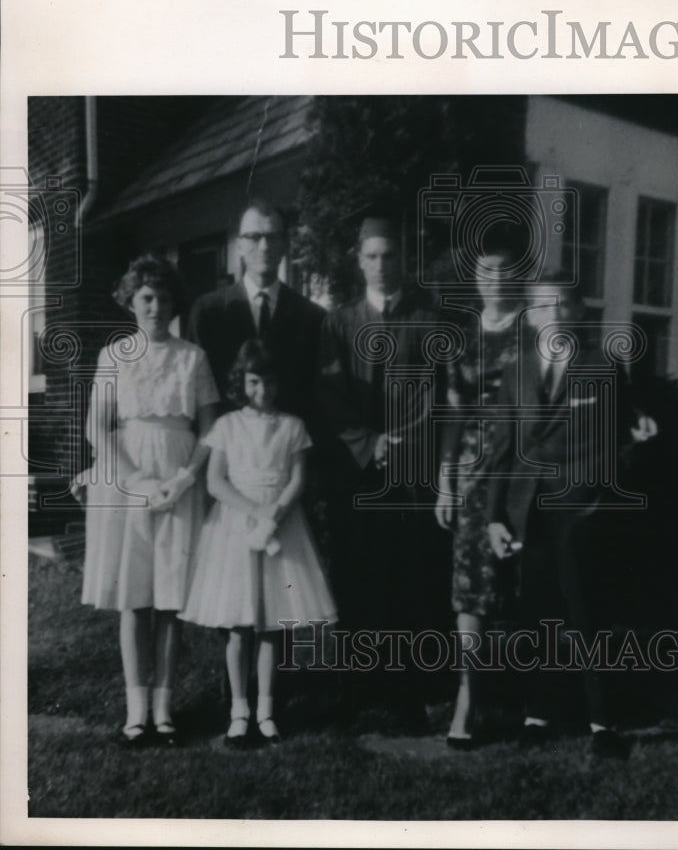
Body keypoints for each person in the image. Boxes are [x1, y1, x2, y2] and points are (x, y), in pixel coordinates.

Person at [485, 271, 657, 758]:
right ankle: (538, 717)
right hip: (528, 509)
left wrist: (631, 455)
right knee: (535, 612)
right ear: (531, 315)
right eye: (542, 306)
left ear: (579, 312)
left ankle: (603, 723)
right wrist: (495, 516)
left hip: (581, 508)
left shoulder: (602, 366)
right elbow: (502, 450)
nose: (552, 315)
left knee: (586, 612)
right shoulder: (516, 370)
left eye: (562, 305)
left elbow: (625, 436)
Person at [73, 254, 219, 746]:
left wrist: (183, 479)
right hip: (128, 477)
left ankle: (165, 709)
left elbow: (211, 425)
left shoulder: (192, 357)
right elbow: (98, 426)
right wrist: (135, 481)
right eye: (146, 298)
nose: (156, 307)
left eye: (164, 298)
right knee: (135, 597)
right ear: (131, 302)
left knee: (171, 598)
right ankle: (136, 712)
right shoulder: (114, 357)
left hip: (180, 473)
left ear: (175, 302)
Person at [317, 214, 450, 732]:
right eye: (370, 256)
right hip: (358, 473)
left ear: (403, 259)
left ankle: (409, 694)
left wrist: (404, 445)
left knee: (410, 580)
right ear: (359, 260)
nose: (380, 265)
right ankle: (357, 688)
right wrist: (370, 444)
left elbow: (436, 395)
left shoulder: (429, 319)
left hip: (412, 474)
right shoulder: (339, 321)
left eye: (389, 255)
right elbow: (328, 393)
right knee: (357, 579)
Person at [179, 340, 337, 747]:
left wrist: (276, 514)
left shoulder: (292, 426)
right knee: (239, 625)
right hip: (236, 526)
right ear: (242, 383)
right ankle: (239, 711)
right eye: (254, 381)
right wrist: (255, 511)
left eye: (268, 381)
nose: (262, 390)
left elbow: (299, 480)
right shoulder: (228, 426)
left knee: (272, 626)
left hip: (282, 526)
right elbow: (215, 481)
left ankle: (267, 710)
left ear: (278, 383)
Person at [434, 242, 525, 749]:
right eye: (484, 269)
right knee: (470, 587)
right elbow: (452, 414)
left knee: (524, 581)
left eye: (503, 268)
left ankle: (537, 698)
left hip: (525, 467)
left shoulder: (532, 332)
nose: (492, 277)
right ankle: (467, 699)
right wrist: (445, 481)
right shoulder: (464, 337)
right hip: (471, 470)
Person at [187, 197, 325, 433]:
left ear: (284, 245)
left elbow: (317, 396)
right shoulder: (209, 311)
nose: (264, 246)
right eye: (253, 237)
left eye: (272, 237)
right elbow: (194, 390)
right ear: (239, 245)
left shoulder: (311, 317)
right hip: (226, 452)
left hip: (287, 452)